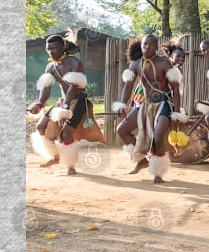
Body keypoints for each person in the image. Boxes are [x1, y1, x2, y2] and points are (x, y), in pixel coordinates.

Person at [28, 32, 105, 175]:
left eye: (55, 48)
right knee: (41, 127)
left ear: (63, 47)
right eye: (48, 49)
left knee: (66, 133)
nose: (51, 52)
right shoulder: (50, 67)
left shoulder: (75, 63)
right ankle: (56, 157)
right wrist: (39, 103)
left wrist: (65, 108)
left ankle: (70, 166)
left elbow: (73, 87)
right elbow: (46, 88)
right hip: (63, 101)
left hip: (78, 101)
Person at [111, 34, 184, 184]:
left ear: (156, 47)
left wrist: (176, 112)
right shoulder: (136, 64)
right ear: (141, 45)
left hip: (164, 104)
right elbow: (128, 87)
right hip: (146, 105)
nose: (147, 47)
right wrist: (122, 104)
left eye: (151, 45)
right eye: (145, 44)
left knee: (157, 138)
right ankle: (142, 160)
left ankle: (158, 172)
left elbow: (176, 89)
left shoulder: (164, 64)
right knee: (121, 130)